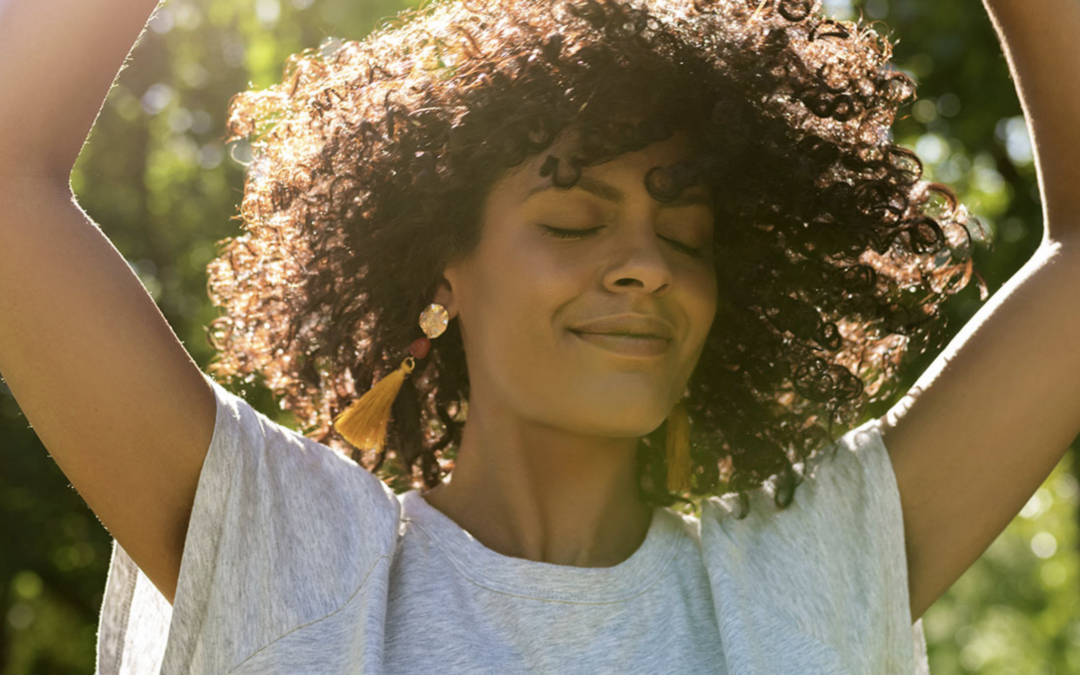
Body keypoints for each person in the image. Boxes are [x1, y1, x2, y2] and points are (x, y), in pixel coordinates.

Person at [1, 0, 1076, 672]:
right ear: (443, 268)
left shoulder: (806, 569)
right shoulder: (286, 554)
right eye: (572, 221)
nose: (645, 266)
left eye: (687, 238)